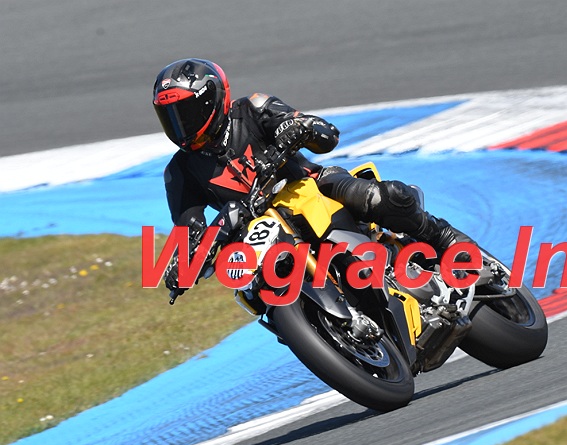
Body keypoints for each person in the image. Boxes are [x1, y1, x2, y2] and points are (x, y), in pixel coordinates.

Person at [153, 58, 464, 293]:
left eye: (186, 113)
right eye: (171, 117)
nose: (180, 125)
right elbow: (188, 231)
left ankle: (442, 238)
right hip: (256, 234)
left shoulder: (253, 108)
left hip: (310, 184)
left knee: (380, 196)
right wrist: (182, 264)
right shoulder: (178, 172)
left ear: (211, 99)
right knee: (253, 289)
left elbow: (325, 134)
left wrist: (298, 127)